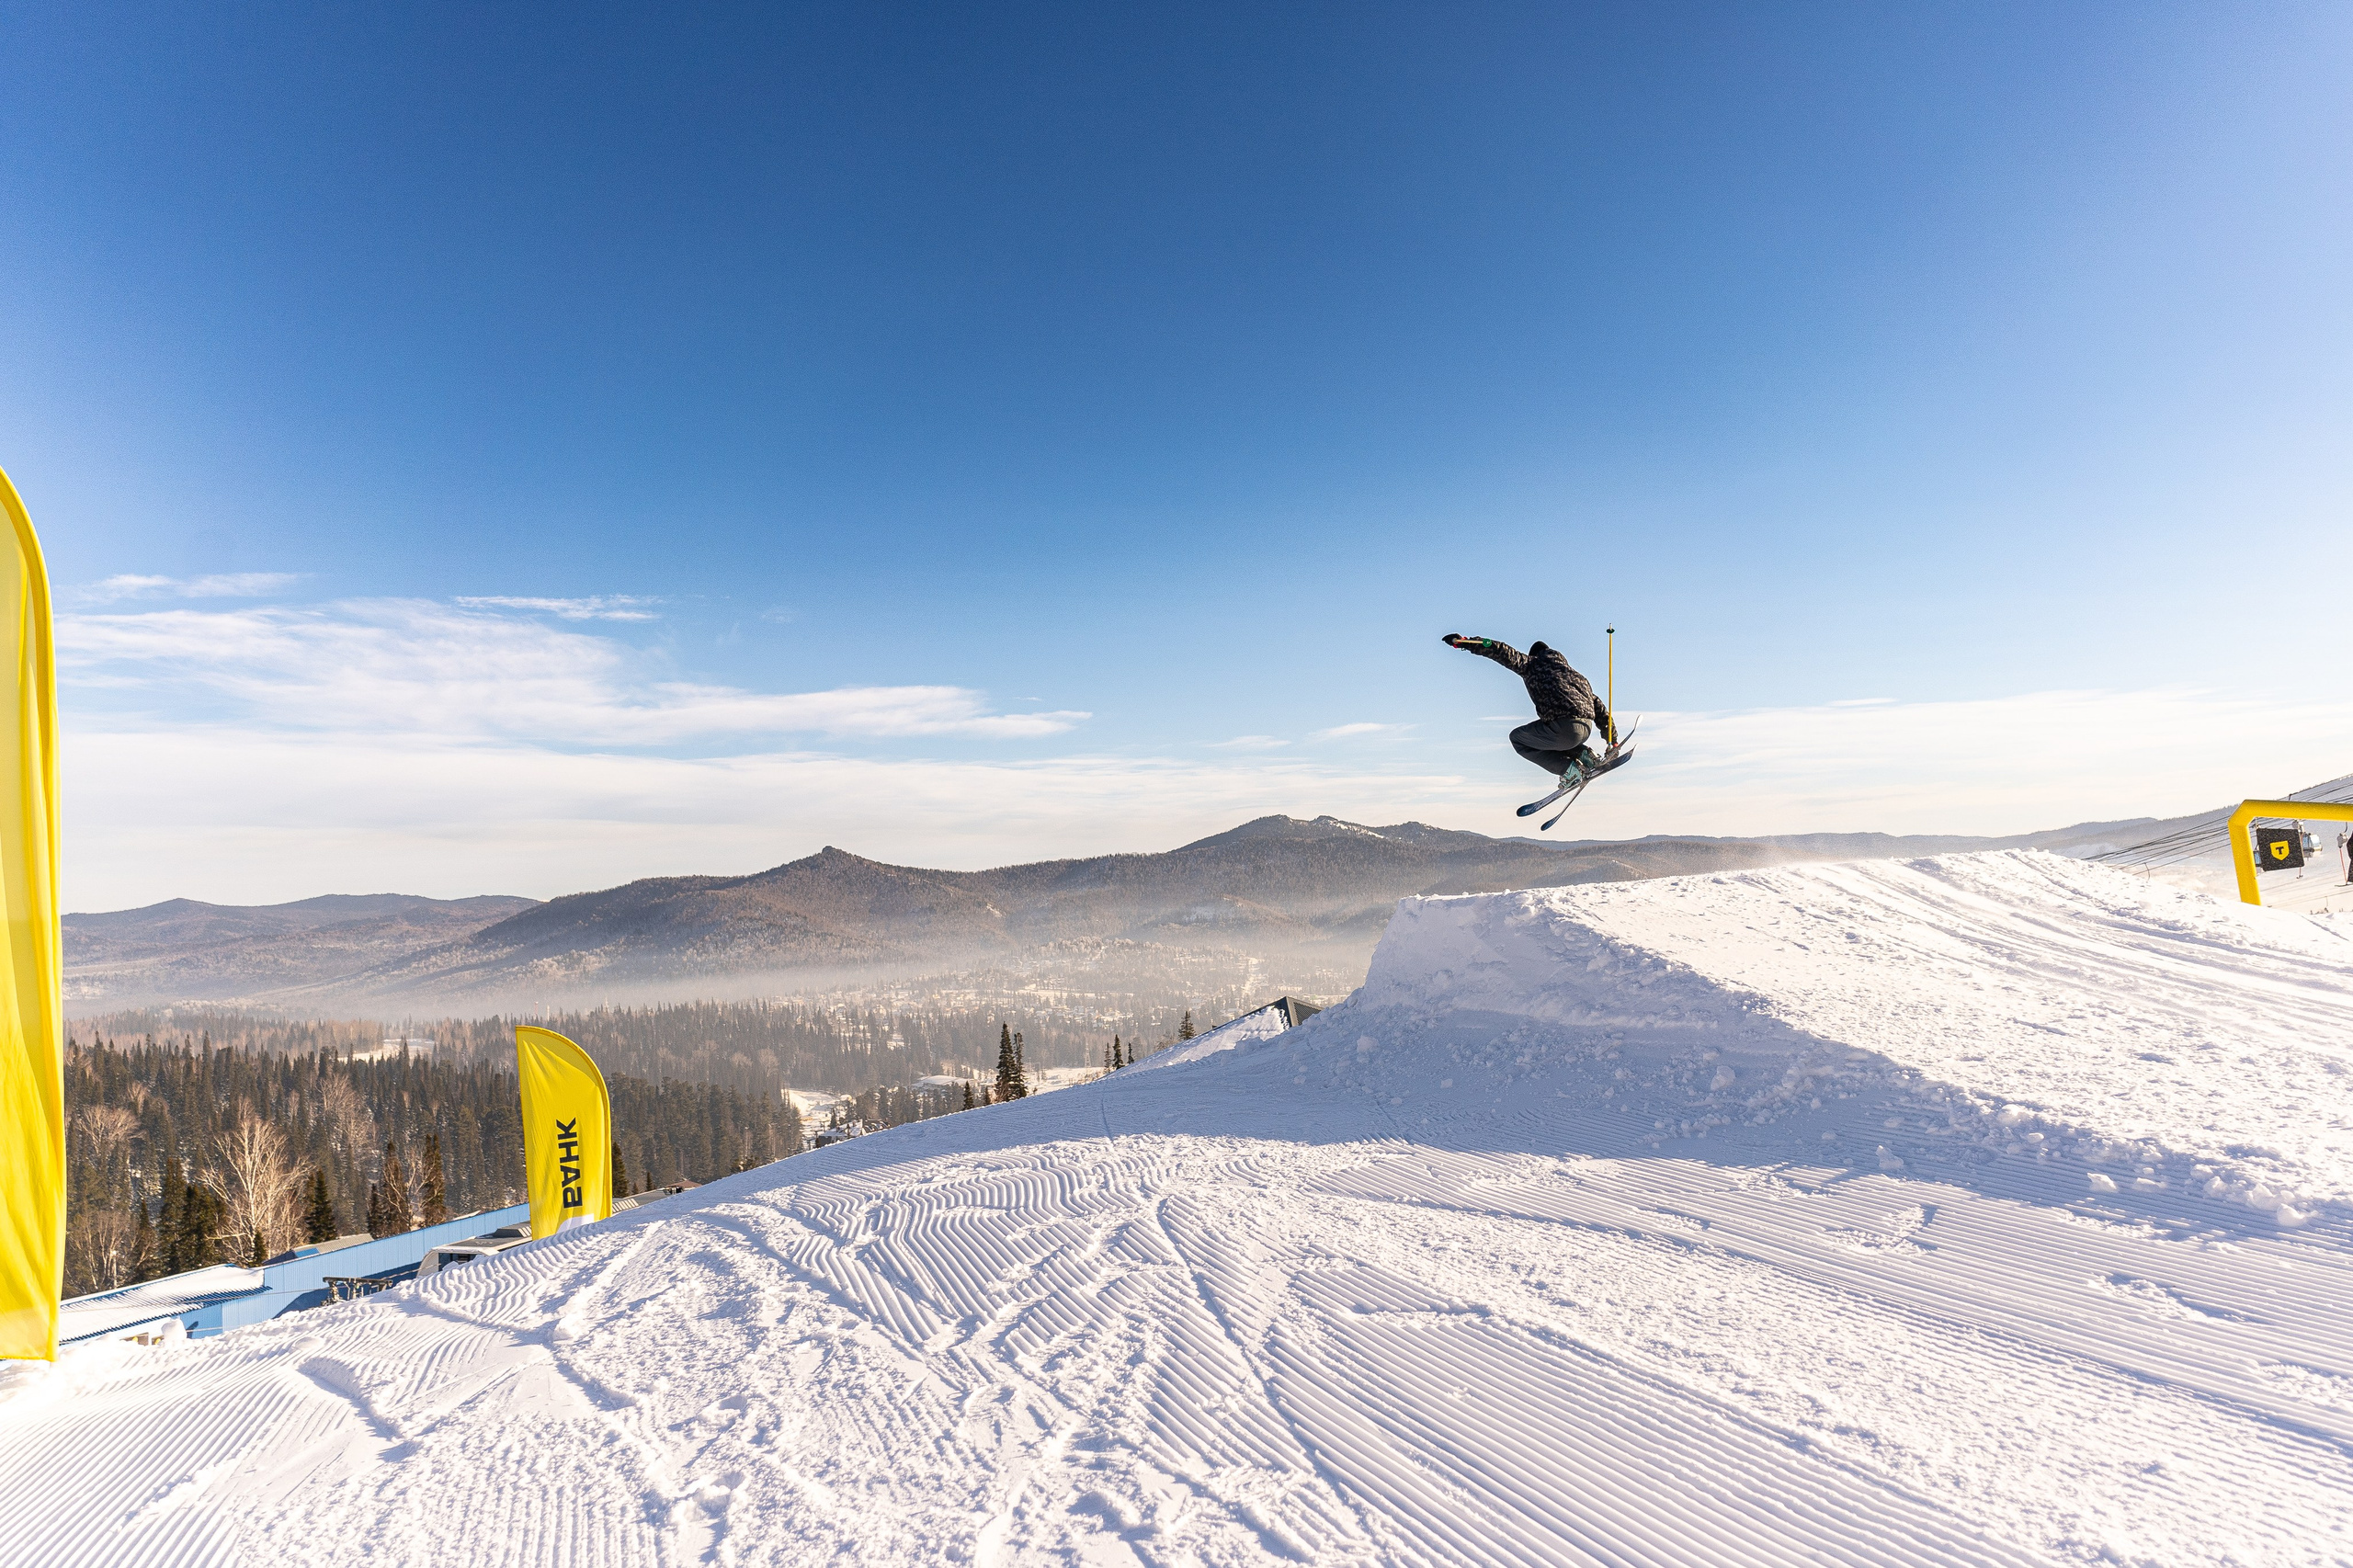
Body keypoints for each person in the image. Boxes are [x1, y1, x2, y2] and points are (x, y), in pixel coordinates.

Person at [1443, 633, 1611, 785]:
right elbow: (1600, 708)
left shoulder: (1531, 664)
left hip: (1563, 729)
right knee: (1549, 737)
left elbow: (1500, 649)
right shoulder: (1576, 677)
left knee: (1518, 739)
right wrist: (1612, 739)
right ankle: (1588, 757)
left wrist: (1464, 642)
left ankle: (1569, 771)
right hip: (1586, 729)